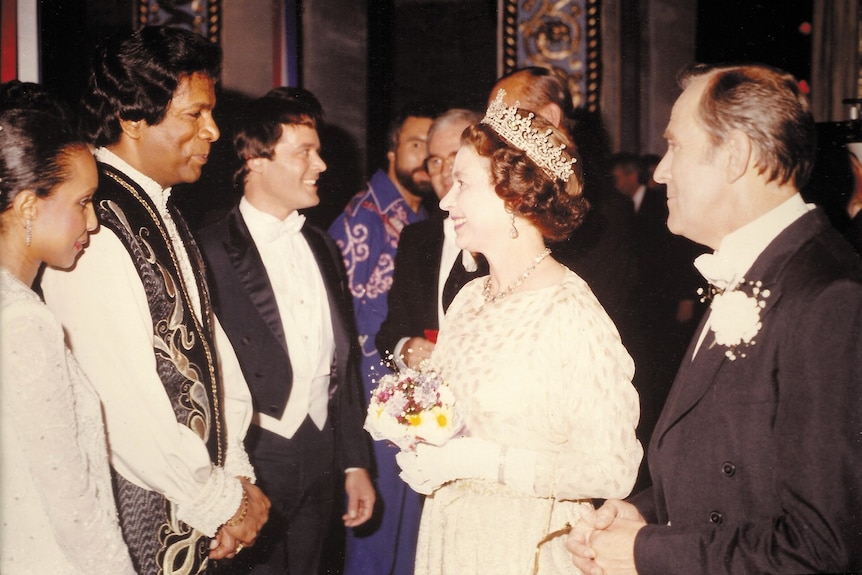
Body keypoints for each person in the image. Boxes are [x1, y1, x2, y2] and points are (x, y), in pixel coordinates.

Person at [567, 63, 862, 575]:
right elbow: (736, 467)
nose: (659, 171)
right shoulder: (751, 270)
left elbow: (823, 548)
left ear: (736, 156)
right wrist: (643, 510)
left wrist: (645, 552)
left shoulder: (830, 298)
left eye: (675, 146)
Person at [41, 27, 269, 575]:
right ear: (133, 119)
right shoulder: (92, 224)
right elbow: (118, 404)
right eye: (194, 115)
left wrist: (233, 477)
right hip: (138, 508)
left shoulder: (160, 209)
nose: (213, 131)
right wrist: (222, 502)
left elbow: (212, 361)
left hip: (192, 501)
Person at [395, 90, 642, 574]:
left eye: (462, 183)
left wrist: (481, 462)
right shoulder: (468, 298)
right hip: (451, 536)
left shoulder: (570, 312)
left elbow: (614, 468)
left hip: (527, 545)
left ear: (510, 195)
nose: (445, 200)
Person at [196, 87, 375, 574]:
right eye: (304, 152)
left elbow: (346, 365)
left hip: (321, 452)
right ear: (255, 159)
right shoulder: (207, 250)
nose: (320, 165)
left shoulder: (322, 246)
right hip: (254, 457)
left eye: (317, 151)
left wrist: (354, 463)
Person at [0, 81, 135, 575]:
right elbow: (73, 503)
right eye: (82, 202)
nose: (94, 222)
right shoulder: (22, 321)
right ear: (30, 207)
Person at [328, 104, 437, 575]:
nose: (425, 159)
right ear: (391, 152)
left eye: (431, 150)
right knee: (375, 542)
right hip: (376, 408)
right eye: (416, 145)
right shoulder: (362, 220)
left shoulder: (425, 217)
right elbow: (339, 329)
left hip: (415, 406)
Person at [376, 108, 486, 370]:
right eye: (435, 161)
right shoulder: (416, 239)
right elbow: (389, 332)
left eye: (455, 156)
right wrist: (405, 348)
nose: (446, 171)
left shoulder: (507, 234)